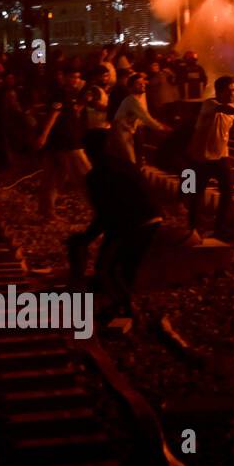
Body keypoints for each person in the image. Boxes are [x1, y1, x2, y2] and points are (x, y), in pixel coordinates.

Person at [68, 130, 163, 321]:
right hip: (153, 217)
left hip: (133, 222)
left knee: (106, 268)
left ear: (88, 151)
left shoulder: (97, 175)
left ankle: (127, 310)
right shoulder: (125, 165)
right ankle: (122, 308)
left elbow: (105, 215)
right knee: (124, 268)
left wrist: (85, 239)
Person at [185, 76, 234, 240]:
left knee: (227, 191)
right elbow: (221, 109)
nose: (233, 94)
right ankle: (192, 227)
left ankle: (221, 228)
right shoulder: (209, 104)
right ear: (219, 91)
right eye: (229, 90)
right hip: (201, 158)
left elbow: (229, 134)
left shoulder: (232, 109)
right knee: (195, 192)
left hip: (221, 157)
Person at [36, 74, 90, 221]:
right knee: (85, 175)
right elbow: (54, 115)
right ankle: (100, 208)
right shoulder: (60, 94)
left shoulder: (68, 95)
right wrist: (43, 136)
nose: (76, 80)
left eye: (78, 77)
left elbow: (69, 113)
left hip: (57, 142)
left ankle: (46, 210)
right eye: (73, 77)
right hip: (67, 142)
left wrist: (82, 104)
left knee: (54, 176)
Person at [107, 72, 170, 165]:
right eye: (138, 83)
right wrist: (164, 129)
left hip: (125, 132)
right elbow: (147, 119)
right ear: (130, 87)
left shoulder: (136, 100)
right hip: (121, 132)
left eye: (143, 82)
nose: (142, 84)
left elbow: (145, 118)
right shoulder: (132, 100)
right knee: (129, 162)